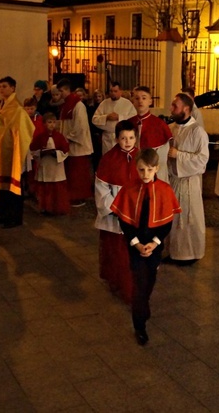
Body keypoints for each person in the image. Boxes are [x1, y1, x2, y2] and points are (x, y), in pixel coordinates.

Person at [111, 148, 181, 346]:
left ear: (156, 168)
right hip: (135, 244)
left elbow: (167, 222)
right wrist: (137, 244)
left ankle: (143, 306)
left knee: (149, 280)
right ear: (136, 168)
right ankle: (139, 325)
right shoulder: (129, 189)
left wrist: (154, 244)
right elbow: (124, 221)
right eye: (141, 170)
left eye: (150, 170)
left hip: (154, 245)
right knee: (139, 285)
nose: (145, 174)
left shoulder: (165, 190)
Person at [95, 121, 140, 303]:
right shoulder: (108, 159)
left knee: (132, 253)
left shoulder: (141, 157)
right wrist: (114, 207)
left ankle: (132, 285)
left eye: (131, 138)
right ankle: (117, 282)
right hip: (115, 216)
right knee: (116, 252)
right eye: (123, 138)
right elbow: (101, 187)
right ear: (116, 139)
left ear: (136, 138)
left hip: (135, 215)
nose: (127, 142)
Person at [166, 93, 208, 265]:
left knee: (189, 219)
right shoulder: (171, 128)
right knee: (174, 219)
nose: (171, 108)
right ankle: (173, 251)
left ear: (186, 109)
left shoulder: (197, 131)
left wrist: (179, 155)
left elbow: (202, 160)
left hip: (189, 183)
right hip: (173, 181)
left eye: (175, 105)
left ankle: (189, 254)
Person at [0, 76, 35, 228]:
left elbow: (26, 130)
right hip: (1, 152)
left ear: (13, 88)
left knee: (14, 187)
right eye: (0, 86)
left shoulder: (17, 110)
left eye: (4, 86)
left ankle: (15, 217)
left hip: (13, 152)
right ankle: (3, 213)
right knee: (2, 186)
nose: (1, 89)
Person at [57, 78, 93, 207]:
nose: (59, 94)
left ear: (67, 90)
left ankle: (80, 197)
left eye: (61, 91)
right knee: (72, 173)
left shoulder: (78, 105)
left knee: (78, 174)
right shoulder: (66, 104)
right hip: (69, 145)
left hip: (78, 145)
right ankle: (72, 195)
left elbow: (80, 126)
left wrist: (68, 137)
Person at [128, 86, 173, 182]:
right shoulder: (128, 123)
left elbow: (162, 159)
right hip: (134, 172)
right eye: (137, 98)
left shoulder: (160, 125)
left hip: (154, 174)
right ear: (133, 102)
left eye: (144, 98)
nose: (140, 101)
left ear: (150, 101)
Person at [31, 113, 70, 215]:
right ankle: (46, 207)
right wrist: (41, 153)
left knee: (57, 187)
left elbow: (65, 150)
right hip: (45, 165)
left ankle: (57, 207)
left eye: (54, 122)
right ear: (44, 124)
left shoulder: (59, 137)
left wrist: (56, 153)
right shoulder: (40, 137)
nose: (52, 125)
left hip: (56, 166)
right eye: (49, 122)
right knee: (46, 187)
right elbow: (33, 150)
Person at [92, 81, 137, 155]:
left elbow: (134, 117)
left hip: (123, 137)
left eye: (115, 91)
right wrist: (106, 117)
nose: (113, 93)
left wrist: (119, 117)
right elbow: (94, 119)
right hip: (107, 137)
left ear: (120, 91)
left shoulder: (127, 103)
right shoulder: (104, 103)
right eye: (111, 91)